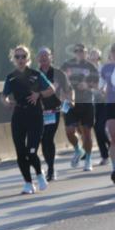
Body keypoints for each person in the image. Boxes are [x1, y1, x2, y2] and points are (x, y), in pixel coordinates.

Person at [1, 45, 55, 194]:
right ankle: (28, 183)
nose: (20, 59)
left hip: (35, 116)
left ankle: (39, 174)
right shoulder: (10, 77)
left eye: (23, 56)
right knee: (20, 152)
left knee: (31, 152)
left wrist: (39, 95)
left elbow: (51, 89)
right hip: (18, 116)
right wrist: (6, 102)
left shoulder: (36, 75)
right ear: (13, 59)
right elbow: (3, 95)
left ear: (28, 59)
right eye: (17, 57)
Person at [61, 43, 100, 171]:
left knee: (86, 133)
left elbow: (96, 84)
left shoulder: (91, 67)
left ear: (86, 52)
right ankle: (78, 150)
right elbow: (59, 80)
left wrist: (87, 86)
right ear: (74, 52)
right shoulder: (67, 65)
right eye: (77, 51)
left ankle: (88, 159)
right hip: (71, 103)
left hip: (86, 103)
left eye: (82, 51)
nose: (79, 53)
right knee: (69, 131)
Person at [37, 47, 71, 181]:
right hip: (39, 112)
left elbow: (68, 90)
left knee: (48, 138)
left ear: (51, 57)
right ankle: (49, 166)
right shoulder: (34, 74)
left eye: (46, 55)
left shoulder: (58, 73)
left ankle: (50, 169)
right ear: (37, 59)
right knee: (42, 140)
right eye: (41, 56)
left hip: (54, 110)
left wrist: (70, 100)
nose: (44, 58)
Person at [100, 43, 115, 184]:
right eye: (113, 51)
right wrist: (102, 90)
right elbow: (101, 85)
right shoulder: (106, 68)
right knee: (114, 136)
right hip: (112, 105)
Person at [88, 48, 110, 166]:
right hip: (93, 103)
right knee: (97, 129)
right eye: (91, 54)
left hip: (106, 102)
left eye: (94, 54)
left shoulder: (104, 68)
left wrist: (105, 89)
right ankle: (105, 155)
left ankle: (109, 148)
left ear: (99, 57)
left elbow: (109, 82)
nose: (92, 56)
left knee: (100, 127)